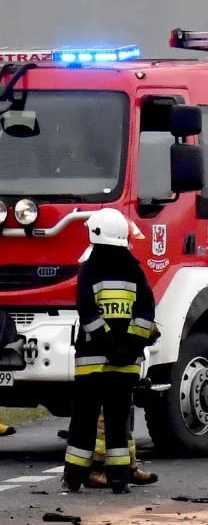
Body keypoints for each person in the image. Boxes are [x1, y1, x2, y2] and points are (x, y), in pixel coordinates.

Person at [64, 208, 159, 493]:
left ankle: (74, 477)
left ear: (95, 234)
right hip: (126, 363)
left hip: (92, 361)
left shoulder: (89, 269)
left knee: (84, 420)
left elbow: (87, 311)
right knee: (119, 420)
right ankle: (119, 479)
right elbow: (146, 312)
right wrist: (129, 346)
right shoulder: (135, 269)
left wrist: (108, 344)